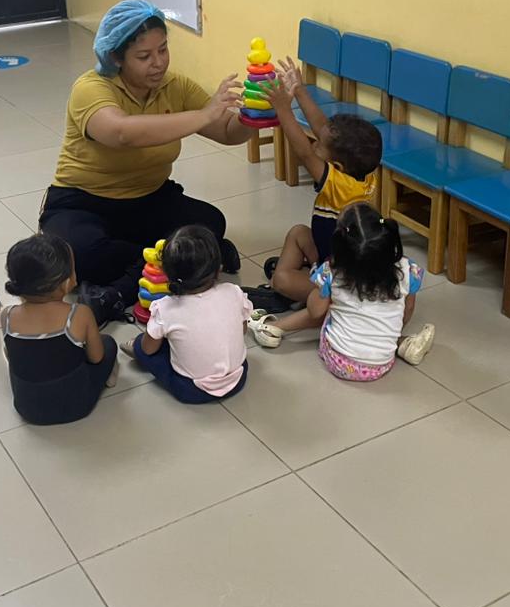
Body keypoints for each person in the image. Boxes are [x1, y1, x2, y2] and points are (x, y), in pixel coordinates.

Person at [40, 0, 252, 325]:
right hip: (85, 202)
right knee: (81, 257)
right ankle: (183, 260)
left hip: (149, 198)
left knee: (211, 222)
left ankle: (119, 287)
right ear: (115, 57)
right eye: (144, 56)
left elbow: (226, 131)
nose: (158, 63)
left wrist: (257, 113)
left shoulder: (175, 86)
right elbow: (122, 132)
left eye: (163, 50)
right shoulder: (91, 88)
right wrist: (203, 114)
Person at [243, 57, 383, 312]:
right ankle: (304, 278)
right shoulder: (363, 175)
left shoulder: (339, 185)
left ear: (336, 166)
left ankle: (294, 291)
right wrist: (299, 90)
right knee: (299, 232)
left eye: (319, 145)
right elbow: (321, 127)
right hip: (333, 253)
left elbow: (304, 152)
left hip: (340, 278)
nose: (315, 142)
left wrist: (283, 109)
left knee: (282, 280)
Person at [248, 202, 436, 382]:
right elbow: (407, 309)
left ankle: (273, 328)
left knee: (331, 307)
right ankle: (402, 344)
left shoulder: (333, 272)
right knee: (376, 317)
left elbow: (315, 312)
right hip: (381, 365)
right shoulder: (407, 269)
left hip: (339, 361)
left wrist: (319, 286)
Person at [119, 225, 251, 404]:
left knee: (144, 347)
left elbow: (149, 349)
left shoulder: (165, 307)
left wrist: (142, 345)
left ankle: (137, 345)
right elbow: (242, 330)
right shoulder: (233, 291)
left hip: (191, 390)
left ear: (166, 274)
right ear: (218, 269)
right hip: (238, 377)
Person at [1, 233, 118, 425]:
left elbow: (10, 355)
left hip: (26, 408)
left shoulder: (7, 315)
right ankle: (108, 377)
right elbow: (96, 358)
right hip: (76, 406)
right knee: (107, 343)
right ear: (66, 282)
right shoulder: (79, 314)